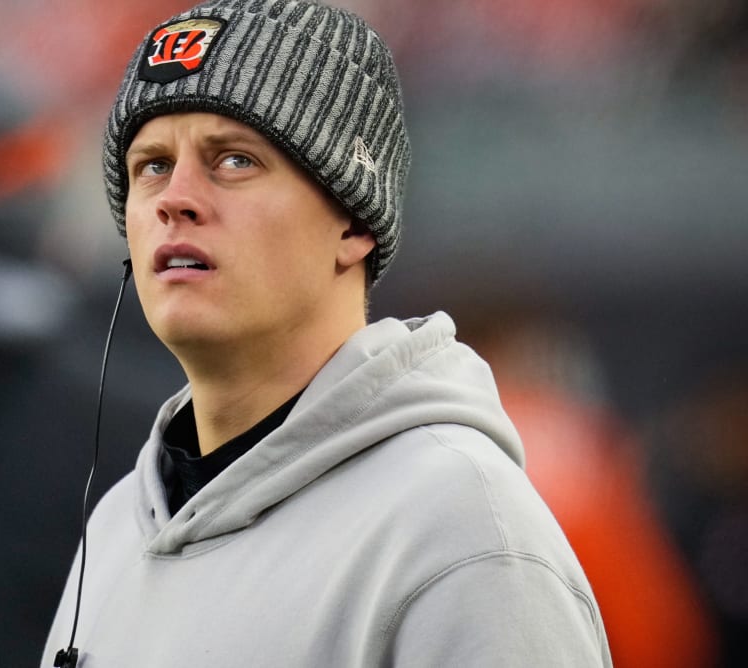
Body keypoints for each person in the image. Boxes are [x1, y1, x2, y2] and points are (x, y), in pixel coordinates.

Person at [42, 1, 612, 666]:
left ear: (354, 223)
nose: (174, 198)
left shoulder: (462, 529)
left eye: (234, 160)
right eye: (151, 165)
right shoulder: (115, 526)